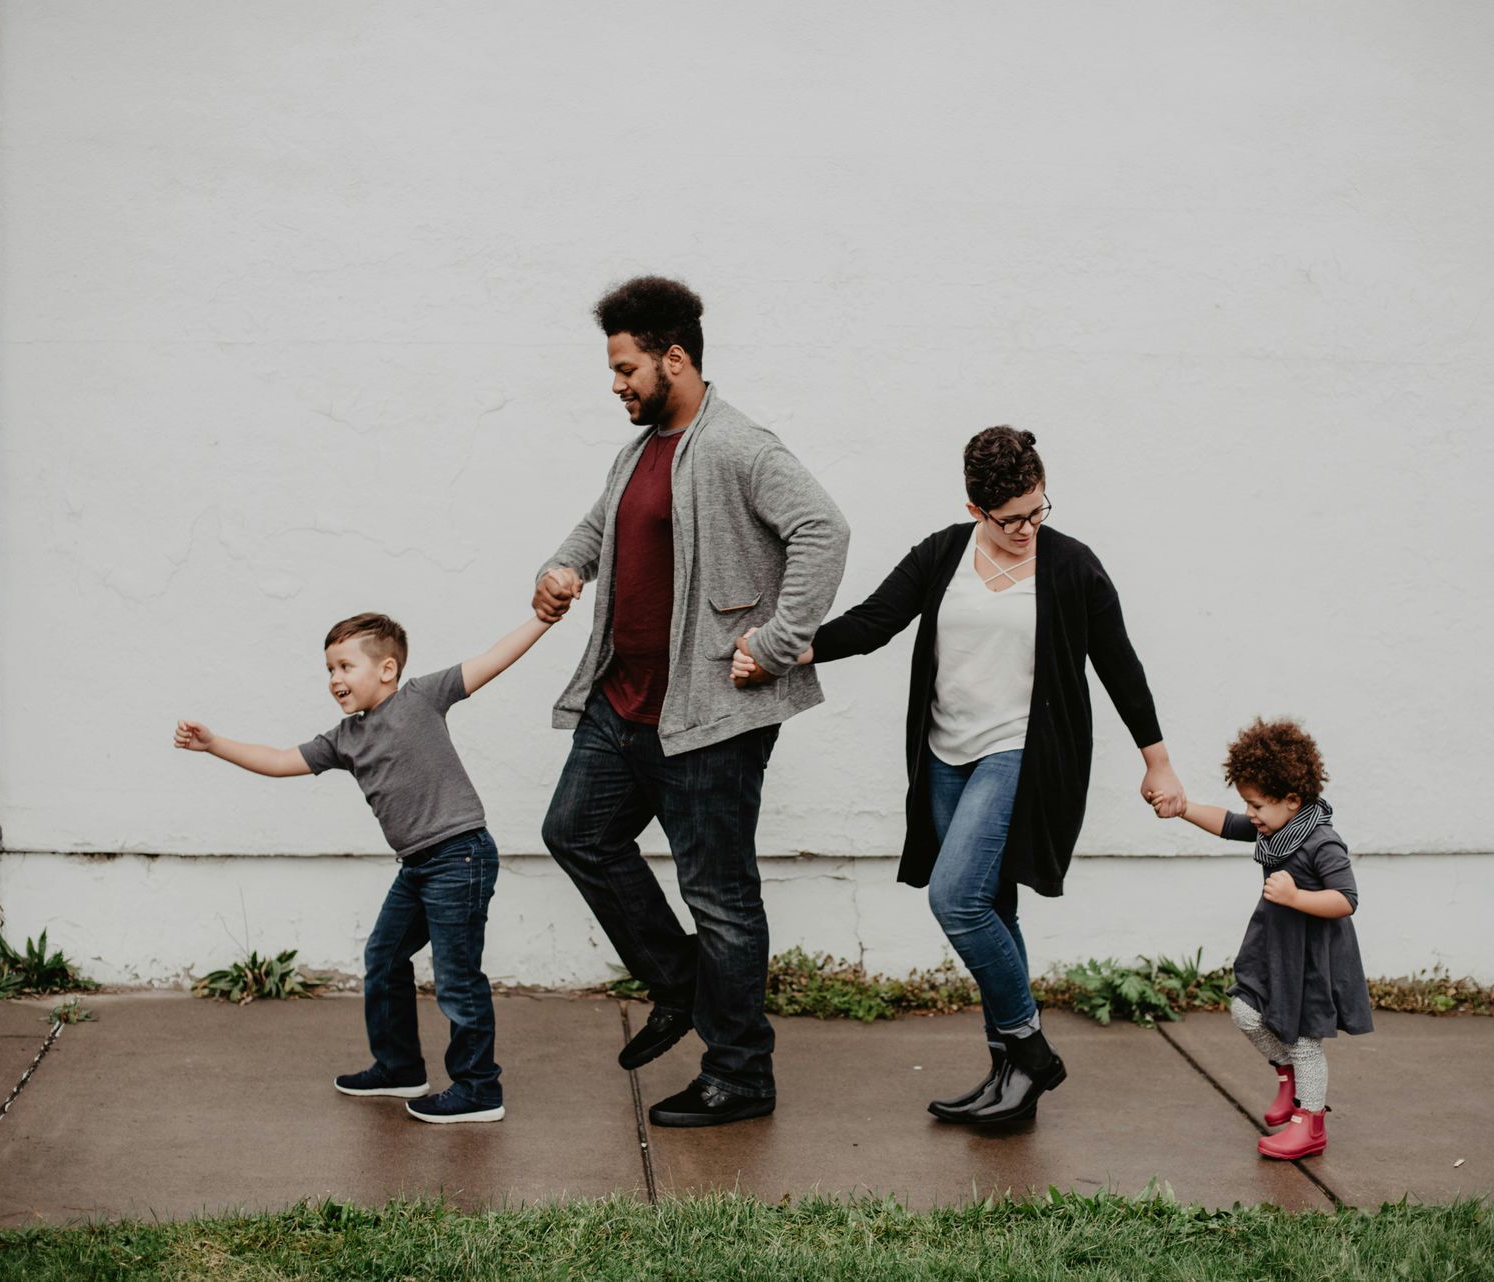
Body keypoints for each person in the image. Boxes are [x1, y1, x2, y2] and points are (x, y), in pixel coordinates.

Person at [732, 426, 1186, 1125]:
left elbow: (1119, 664)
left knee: (957, 901)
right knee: (993, 908)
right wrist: (783, 652)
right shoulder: (945, 553)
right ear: (976, 509)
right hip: (945, 756)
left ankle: (1031, 1051)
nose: (1028, 529)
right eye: (1011, 520)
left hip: (1020, 754)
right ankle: (1011, 1082)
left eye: (1039, 511)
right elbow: (874, 622)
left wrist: (1157, 761)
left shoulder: (1071, 567)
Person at [535, 276, 848, 1128]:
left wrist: (778, 642)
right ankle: (680, 988)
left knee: (720, 895)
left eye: (626, 366)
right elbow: (600, 527)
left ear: (675, 358)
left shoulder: (739, 447)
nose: (616, 384)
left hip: (708, 716)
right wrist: (562, 569)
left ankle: (741, 1073)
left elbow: (825, 530)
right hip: (623, 704)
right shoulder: (638, 451)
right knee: (576, 833)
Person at [174, 610, 552, 1123]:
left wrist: (542, 619)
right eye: (329, 669)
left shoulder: (422, 697)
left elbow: (493, 659)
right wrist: (214, 745)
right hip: (417, 866)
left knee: (457, 978)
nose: (334, 679)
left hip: (460, 856)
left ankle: (479, 1088)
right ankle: (399, 1067)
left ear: (387, 669)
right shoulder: (345, 738)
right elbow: (282, 760)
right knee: (384, 956)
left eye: (345, 667)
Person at [1173, 717, 1372, 1160]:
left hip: (1311, 957)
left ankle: (1310, 1122)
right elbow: (1226, 823)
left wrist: (1296, 895)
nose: (1251, 814)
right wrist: (1182, 807)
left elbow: (1346, 899)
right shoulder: (1274, 827)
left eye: (1257, 805)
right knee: (1245, 1010)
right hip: (1275, 949)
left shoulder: (1322, 841)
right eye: (1248, 803)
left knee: (1304, 1040)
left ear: (1292, 799)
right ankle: (1288, 1076)